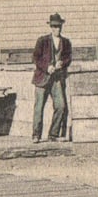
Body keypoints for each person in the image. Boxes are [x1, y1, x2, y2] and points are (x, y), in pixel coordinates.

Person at [32, 12, 72, 143]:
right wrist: (46, 67)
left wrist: (63, 63)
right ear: (50, 27)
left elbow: (68, 58)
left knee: (60, 106)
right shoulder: (42, 41)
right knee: (39, 108)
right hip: (42, 78)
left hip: (56, 79)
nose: (57, 29)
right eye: (54, 26)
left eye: (59, 26)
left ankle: (53, 134)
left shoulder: (66, 42)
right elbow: (35, 58)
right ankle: (36, 135)